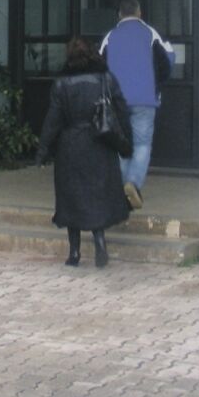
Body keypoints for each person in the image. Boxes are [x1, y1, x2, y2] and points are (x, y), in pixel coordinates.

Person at [35, 37, 132, 268]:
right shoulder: (106, 78)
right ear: (91, 53)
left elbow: (52, 121)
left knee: (71, 197)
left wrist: (43, 149)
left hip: (71, 145)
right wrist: (127, 142)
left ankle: (74, 253)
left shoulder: (62, 84)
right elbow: (121, 110)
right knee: (97, 195)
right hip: (101, 143)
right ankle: (99, 241)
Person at [100, 0, 174, 210]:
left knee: (122, 145)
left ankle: (121, 188)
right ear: (139, 12)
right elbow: (168, 61)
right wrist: (156, 84)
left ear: (119, 15)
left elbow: (98, 66)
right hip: (145, 99)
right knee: (142, 144)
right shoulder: (151, 33)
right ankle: (133, 183)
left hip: (117, 101)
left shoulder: (110, 36)